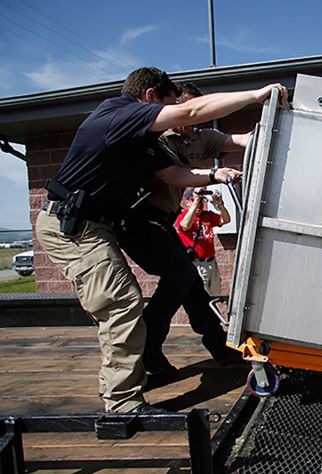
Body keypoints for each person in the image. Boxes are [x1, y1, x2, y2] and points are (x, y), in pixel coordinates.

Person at [36, 66, 287, 414]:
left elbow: (175, 174)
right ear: (150, 97)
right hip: (74, 224)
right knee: (121, 301)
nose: (174, 118)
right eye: (168, 106)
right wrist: (257, 95)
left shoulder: (143, 142)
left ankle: (158, 360)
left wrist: (215, 174)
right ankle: (123, 401)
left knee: (176, 281)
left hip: (96, 224)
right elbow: (191, 111)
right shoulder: (119, 115)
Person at [116, 81, 250, 385]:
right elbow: (175, 173)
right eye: (187, 117)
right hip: (138, 219)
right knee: (181, 277)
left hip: (162, 221)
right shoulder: (156, 139)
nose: (194, 125)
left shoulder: (194, 137)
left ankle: (220, 347)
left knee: (188, 282)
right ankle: (148, 351)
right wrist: (215, 174)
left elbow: (236, 139)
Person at [175, 188, 229, 295]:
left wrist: (220, 205)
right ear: (186, 202)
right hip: (196, 263)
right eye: (194, 200)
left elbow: (225, 220)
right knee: (201, 297)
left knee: (215, 295)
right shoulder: (183, 217)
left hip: (211, 263)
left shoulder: (207, 216)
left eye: (201, 201)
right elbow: (185, 226)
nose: (199, 204)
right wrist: (195, 203)